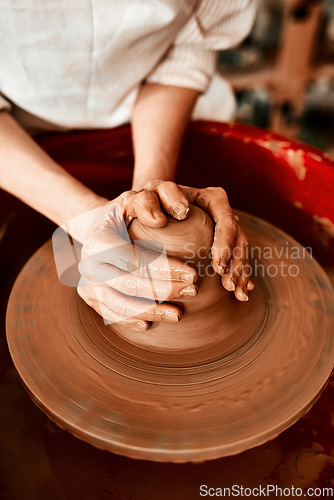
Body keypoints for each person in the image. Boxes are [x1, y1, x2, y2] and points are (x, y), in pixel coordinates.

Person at [0, 0, 256, 331]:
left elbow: (188, 47)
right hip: (17, 136)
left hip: (158, 114)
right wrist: (84, 218)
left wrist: (149, 195)